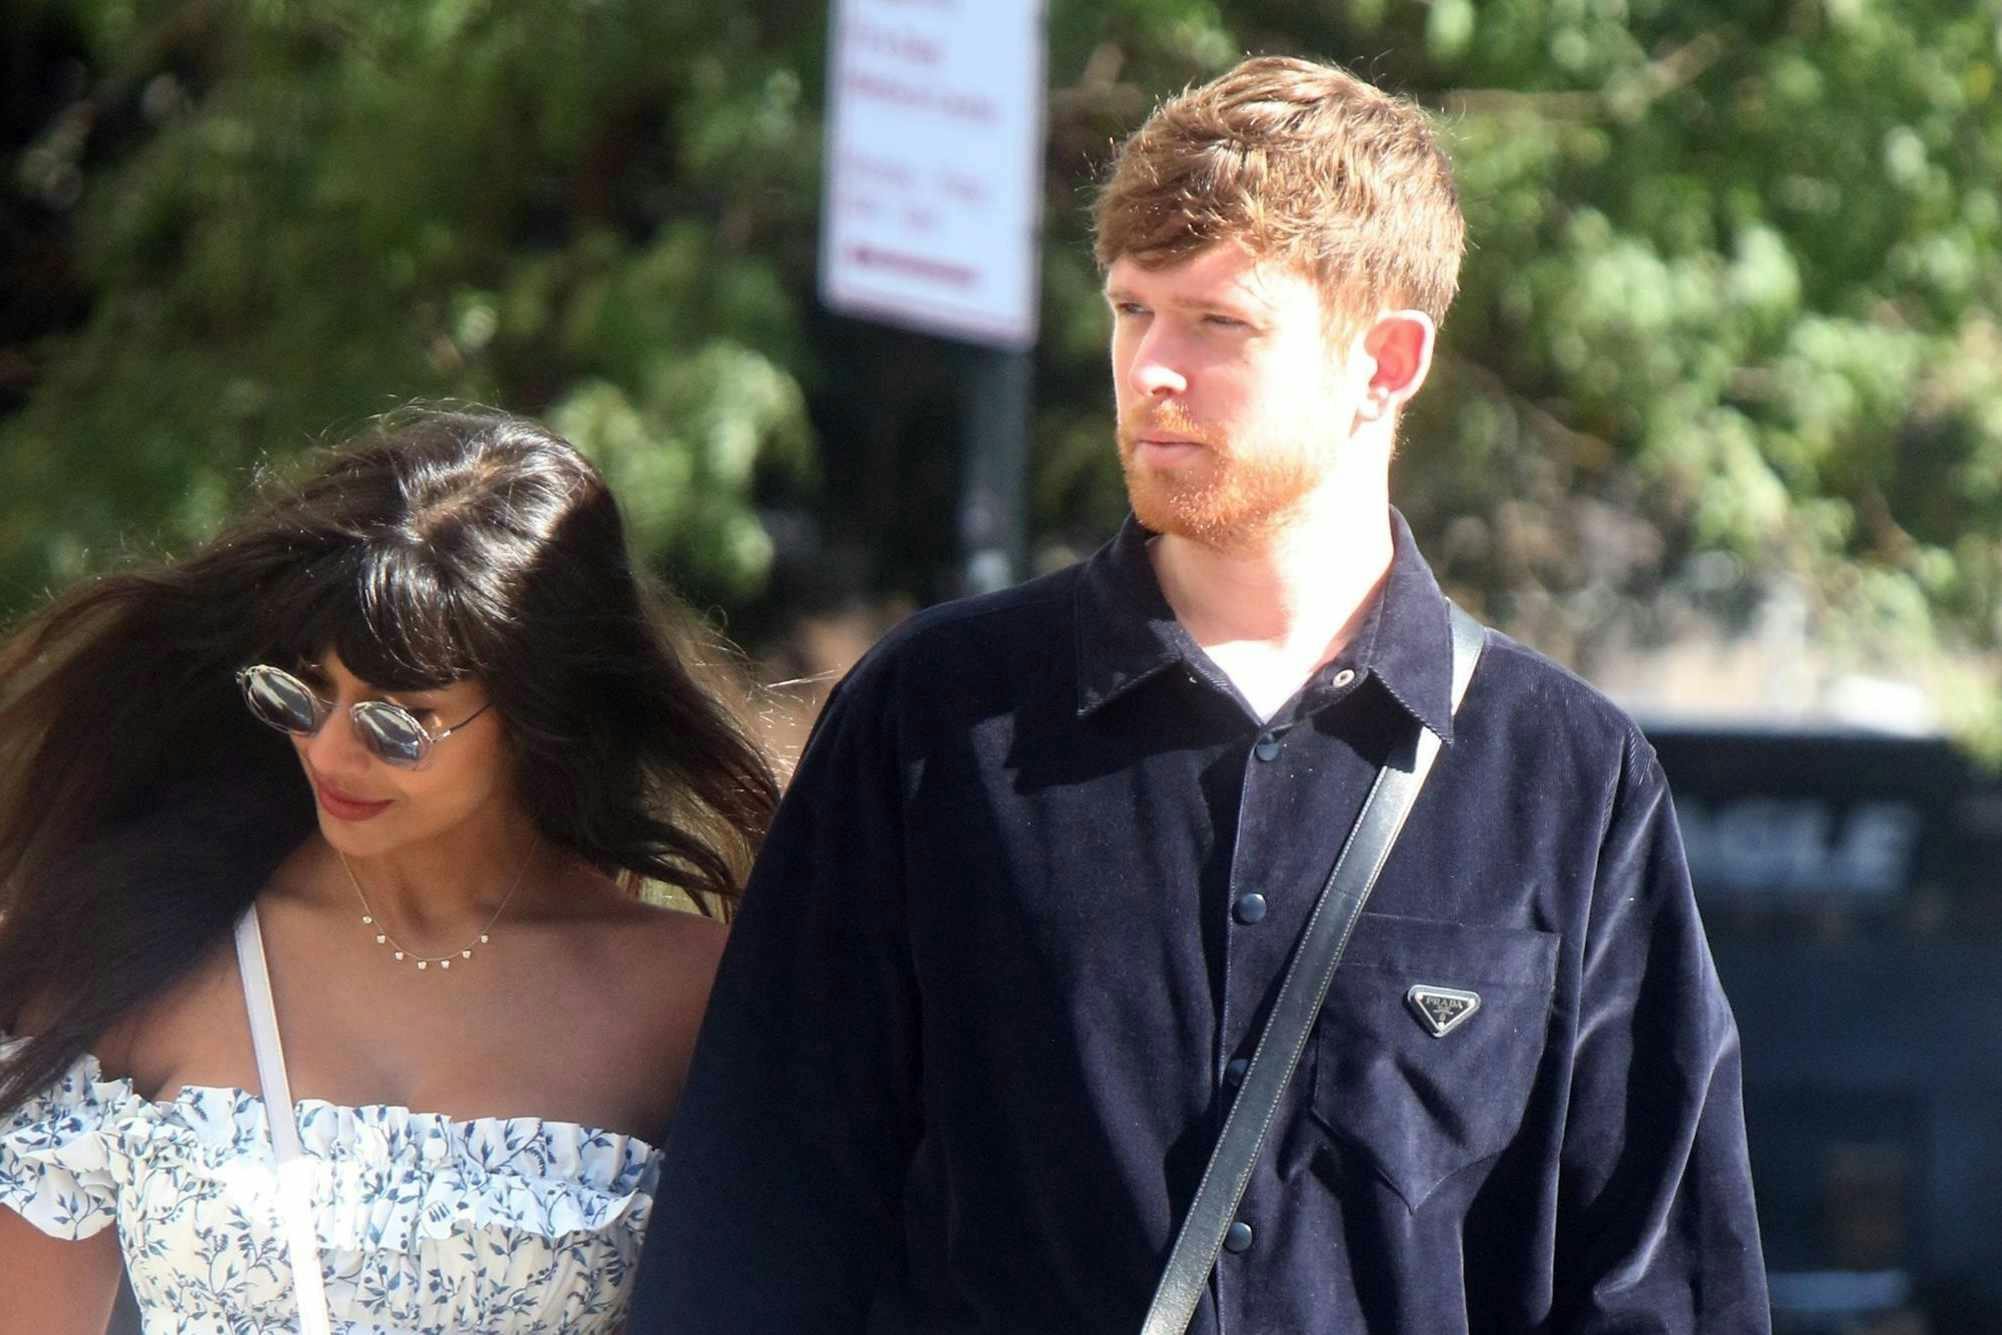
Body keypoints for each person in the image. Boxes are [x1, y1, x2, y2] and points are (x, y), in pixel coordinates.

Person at [632, 55, 1770, 1334]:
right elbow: (761, 1225)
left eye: (1218, 323)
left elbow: (1658, 1286)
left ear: (1385, 359)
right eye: (1130, 311)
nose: (1149, 370)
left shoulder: (1567, 776)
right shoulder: (932, 719)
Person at [0, 406, 778, 1333]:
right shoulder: (150, 943)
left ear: (538, 712)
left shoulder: (692, 996)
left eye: (396, 720)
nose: (329, 752)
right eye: (303, 690)